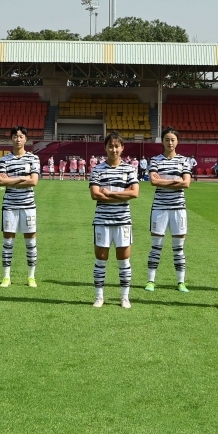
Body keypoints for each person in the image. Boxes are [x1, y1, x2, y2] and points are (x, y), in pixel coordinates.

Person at [89, 132, 140, 308]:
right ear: (105, 148)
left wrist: (110, 193)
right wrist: (121, 196)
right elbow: (95, 195)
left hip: (123, 221)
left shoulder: (129, 169)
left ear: (122, 148)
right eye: (110, 146)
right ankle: (99, 297)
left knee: (124, 260)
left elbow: (134, 193)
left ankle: (125, 297)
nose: (114, 149)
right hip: (102, 221)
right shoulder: (97, 169)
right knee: (101, 260)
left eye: (117, 146)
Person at [145, 127, 192, 293]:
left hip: (179, 208)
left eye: (172, 139)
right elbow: (153, 182)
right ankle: (150, 281)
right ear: (162, 141)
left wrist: (163, 181)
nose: (170, 142)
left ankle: (181, 282)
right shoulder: (155, 160)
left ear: (177, 141)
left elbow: (186, 183)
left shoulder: (184, 161)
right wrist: (175, 180)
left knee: (178, 248)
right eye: (167, 139)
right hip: (160, 207)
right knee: (156, 246)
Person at [0, 126, 41, 288]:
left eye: (21, 136)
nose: (18, 139)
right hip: (9, 205)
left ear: (26, 139)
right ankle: (6, 277)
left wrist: (12, 179)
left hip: (28, 205)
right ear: (11, 139)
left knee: (30, 243)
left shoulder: (33, 159)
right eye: (15, 136)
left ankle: (31, 277)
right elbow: (1, 182)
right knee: (8, 242)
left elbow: (34, 181)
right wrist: (23, 177)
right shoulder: (4, 159)